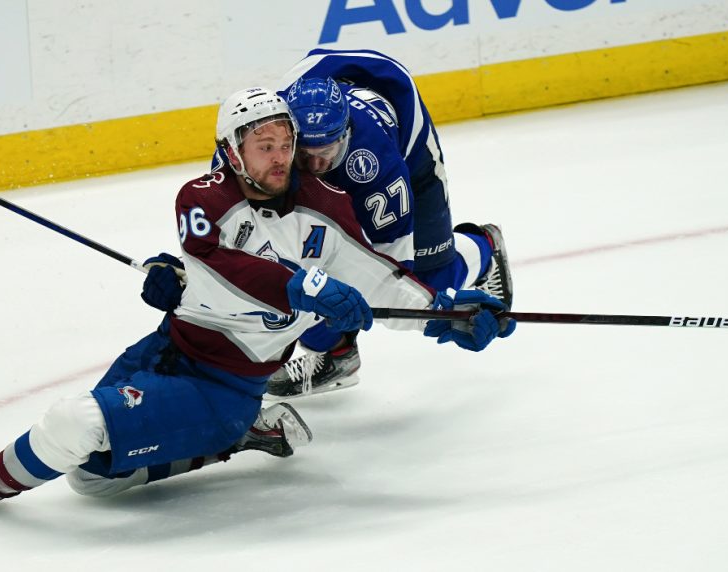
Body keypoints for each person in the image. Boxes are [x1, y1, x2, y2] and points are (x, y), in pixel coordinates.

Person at [0, 87, 514, 509]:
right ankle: (244, 434)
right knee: (91, 480)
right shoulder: (202, 197)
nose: (280, 157)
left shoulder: (326, 212)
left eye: (285, 143)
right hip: (171, 348)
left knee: (73, 423)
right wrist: (171, 272)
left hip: (224, 384)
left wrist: (450, 312)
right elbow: (219, 266)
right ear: (233, 151)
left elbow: (384, 283)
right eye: (263, 145)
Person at [146, 49, 514, 400]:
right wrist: (190, 271)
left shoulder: (377, 167)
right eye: (305, 153)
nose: (318, 163)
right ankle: (338, 355)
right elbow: (233, 240)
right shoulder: (255, 145)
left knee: (431, 277)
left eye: (329, 152)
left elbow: (392, 272)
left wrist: (439, 314)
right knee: (291, 284)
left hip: (406, 148)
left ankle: (482, 247)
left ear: (346, 137)